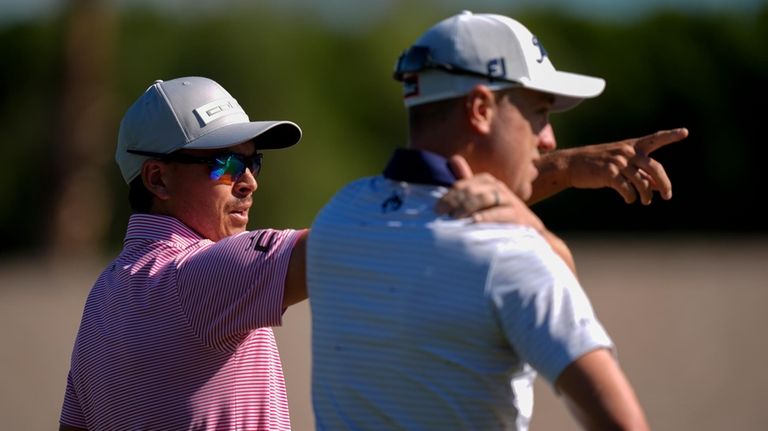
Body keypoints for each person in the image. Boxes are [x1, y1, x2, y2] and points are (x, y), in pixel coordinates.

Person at [57, 76, 543, 431]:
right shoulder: (197, 273)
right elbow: (383, 233)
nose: (249, 180)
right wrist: (547, 172)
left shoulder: (101, 300)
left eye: (254, 160)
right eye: (224, 163)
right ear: (157, 178)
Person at [308, 11, 664, 430]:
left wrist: (559, 175)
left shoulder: (338, 216)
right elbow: (622, 423)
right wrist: (536, 232)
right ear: (479, 108)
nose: (548, 139)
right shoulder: (510, 250)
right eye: (540, 112)